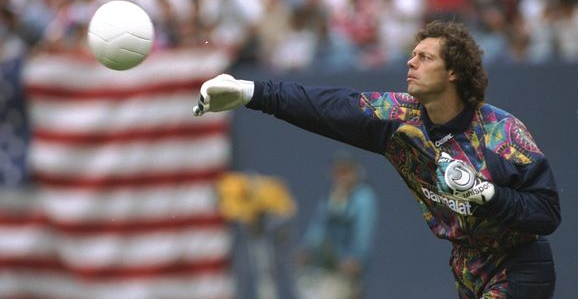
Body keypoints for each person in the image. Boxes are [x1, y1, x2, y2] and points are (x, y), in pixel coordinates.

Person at [192, 21, 561, 299]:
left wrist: (485, 193)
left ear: (454, 72)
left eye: (425, 57)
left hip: (519, 265)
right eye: (413, 54)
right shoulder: (400, 117)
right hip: (466, 266)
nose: (410, 61)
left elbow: (546, 213)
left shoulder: (501, 132)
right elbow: (328, 107)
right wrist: (249, 91)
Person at [296, 151, 377, 299]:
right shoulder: (331, 194)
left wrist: (356, 257)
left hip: (347, 264)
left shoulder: (364, 197)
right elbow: (319, 225)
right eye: (338, 171)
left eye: (345, 171)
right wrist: (307, 248)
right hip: (325, 264)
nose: (341, 176)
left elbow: (364, 231)